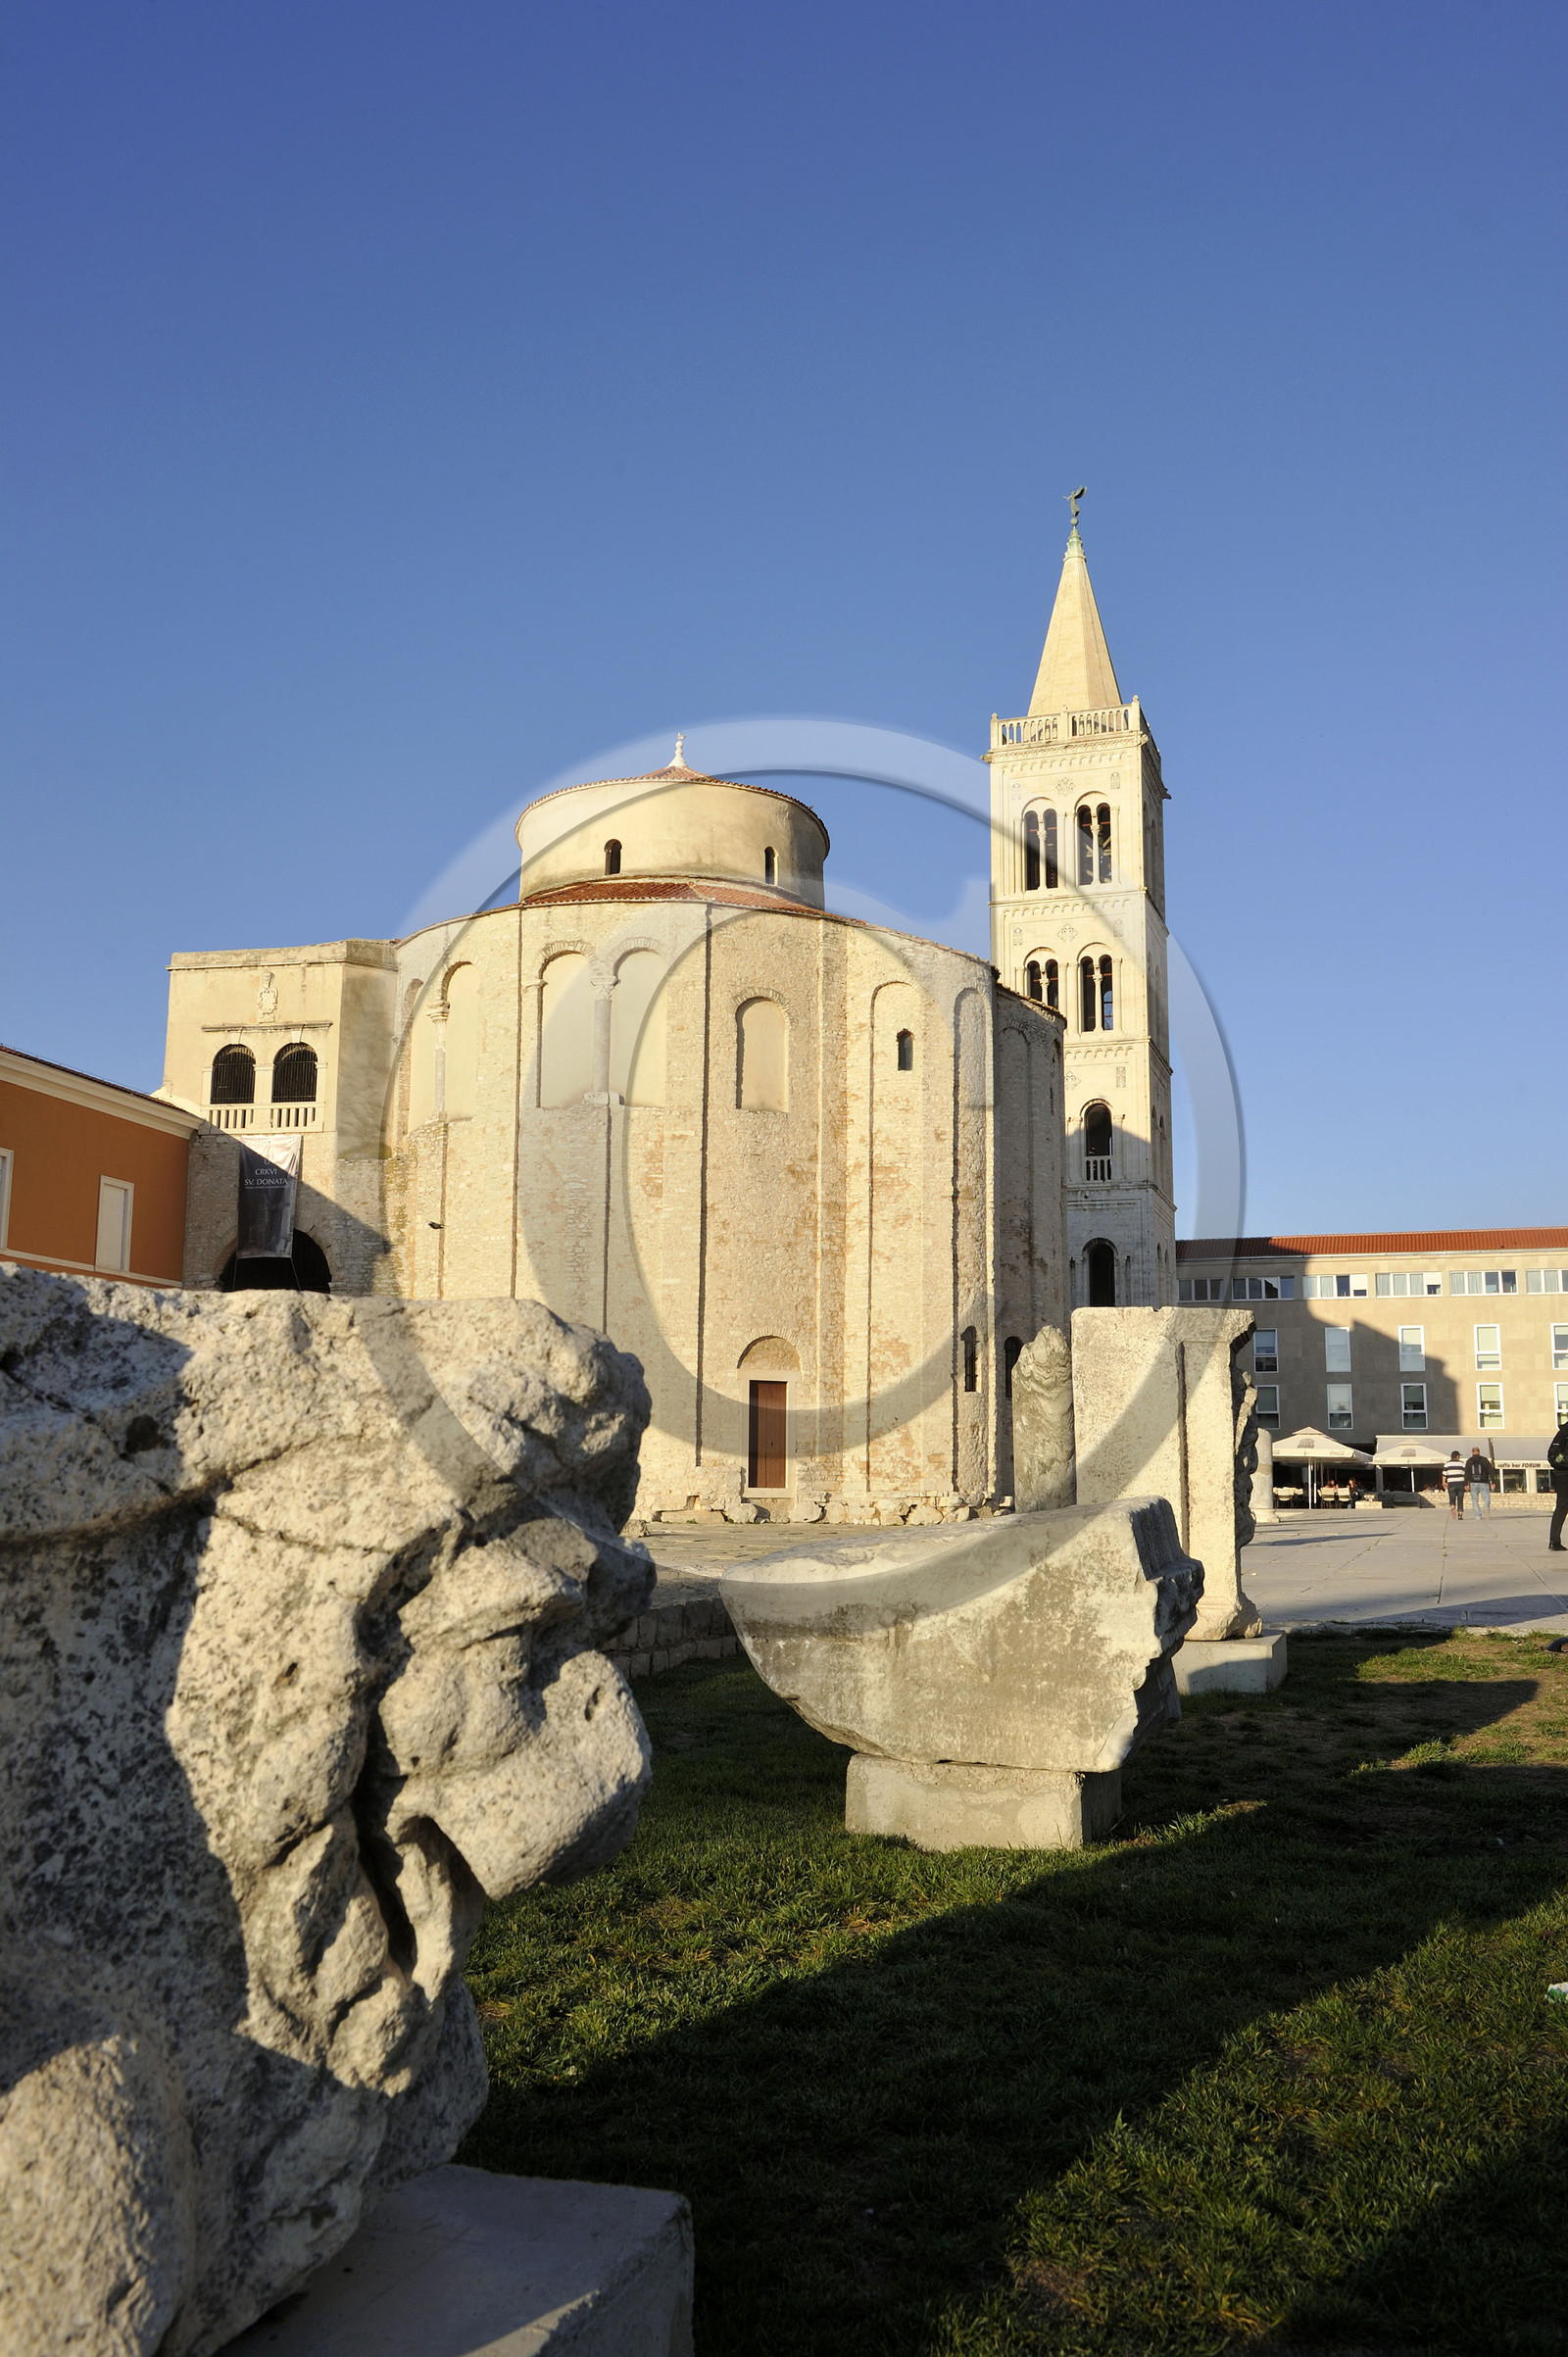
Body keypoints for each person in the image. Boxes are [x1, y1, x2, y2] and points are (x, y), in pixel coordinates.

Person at [1548, 1421, 1568, 1552]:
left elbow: (1552, 1454)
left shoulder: (1562, 1433)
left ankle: (1554, 1541)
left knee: (1561, 1507)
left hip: (1560, 1474)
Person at [1464, 1445, 1493, 1519]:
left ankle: (1478, 1515)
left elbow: (1466, 1473)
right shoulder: (1484, 1460)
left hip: (1473, 1483)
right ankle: (1486, 1508)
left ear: (1472, 1452)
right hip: (1484, 1482)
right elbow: (1490, 1471)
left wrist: (1466, 1483)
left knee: (1474, 1500)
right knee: (1486, 1498)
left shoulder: (1469, 1461)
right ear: (1479, 1452)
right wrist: (1493, 1481)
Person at [1444, 1450, 1467, 1519]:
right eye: (1459, 1456)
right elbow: (1466, 1474)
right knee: (1460, 1499)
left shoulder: (1447, 1464)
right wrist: (1467, 1483)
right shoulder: (1462, 1464)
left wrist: (1443, 1482)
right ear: (1457, 1456)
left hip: (1451, 1483)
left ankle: (1453, 1507)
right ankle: (1460, 1514)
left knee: (1452, 1497)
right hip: (1461, 1483)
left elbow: (1444, 1474)